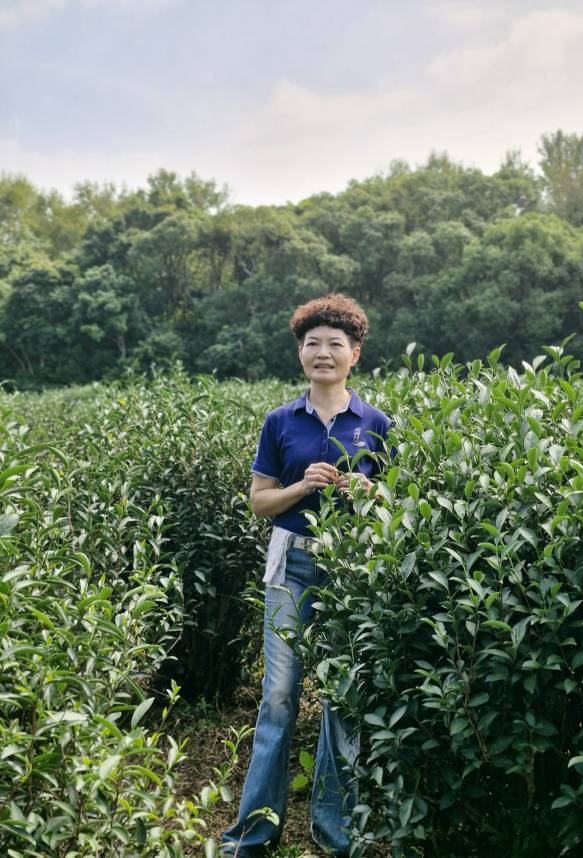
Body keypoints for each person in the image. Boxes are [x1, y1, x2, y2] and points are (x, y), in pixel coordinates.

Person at [220, 293, 392, 857]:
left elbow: (400, 500)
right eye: (312, 344)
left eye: (334, 345)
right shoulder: (280, 421)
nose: (323, 353)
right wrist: (301, 487)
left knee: (343, 697)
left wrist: (369, 491)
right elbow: (259, 501)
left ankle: (335, 831)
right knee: (277, 697)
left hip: (350, 565)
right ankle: (253, 833)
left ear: (354, 355)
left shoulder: (376, 422)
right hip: (291, 560)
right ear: (300, 354)